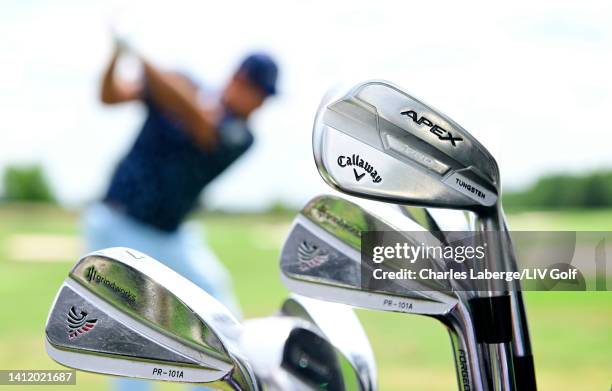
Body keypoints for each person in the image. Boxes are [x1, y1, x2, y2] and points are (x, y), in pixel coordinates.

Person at [83, 38, 278, 391]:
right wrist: (117, 52)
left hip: (171, 234)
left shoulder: (240, 135)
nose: (260, 104)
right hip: (118, 223)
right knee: (133, 329)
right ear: (237, 79)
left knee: (217, 303)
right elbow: (109, 96)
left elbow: (197, 119)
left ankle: (210, 384)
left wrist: (141, 53)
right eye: (258, 93)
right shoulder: (178, 87)